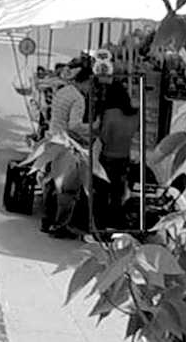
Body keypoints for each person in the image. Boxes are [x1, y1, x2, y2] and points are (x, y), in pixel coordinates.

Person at [44, 60, 94, 237]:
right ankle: (59, 226)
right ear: (86, 81)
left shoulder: (63, 91)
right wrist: (92, 127)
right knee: (67, 189)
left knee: (51, 182)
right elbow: (74, 125)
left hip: (52, 139)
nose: (90, 89)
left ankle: (47, 221)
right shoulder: (78, 99)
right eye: (90, 84)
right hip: (65, 145)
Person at [92, 80, 139, 233]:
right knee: (117, 194)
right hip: (124, 157)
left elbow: (104, 137)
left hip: (107, 157)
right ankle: (114, 225)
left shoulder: (110, 114)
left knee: (101, 194)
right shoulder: (135, 115)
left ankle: (99, 225)